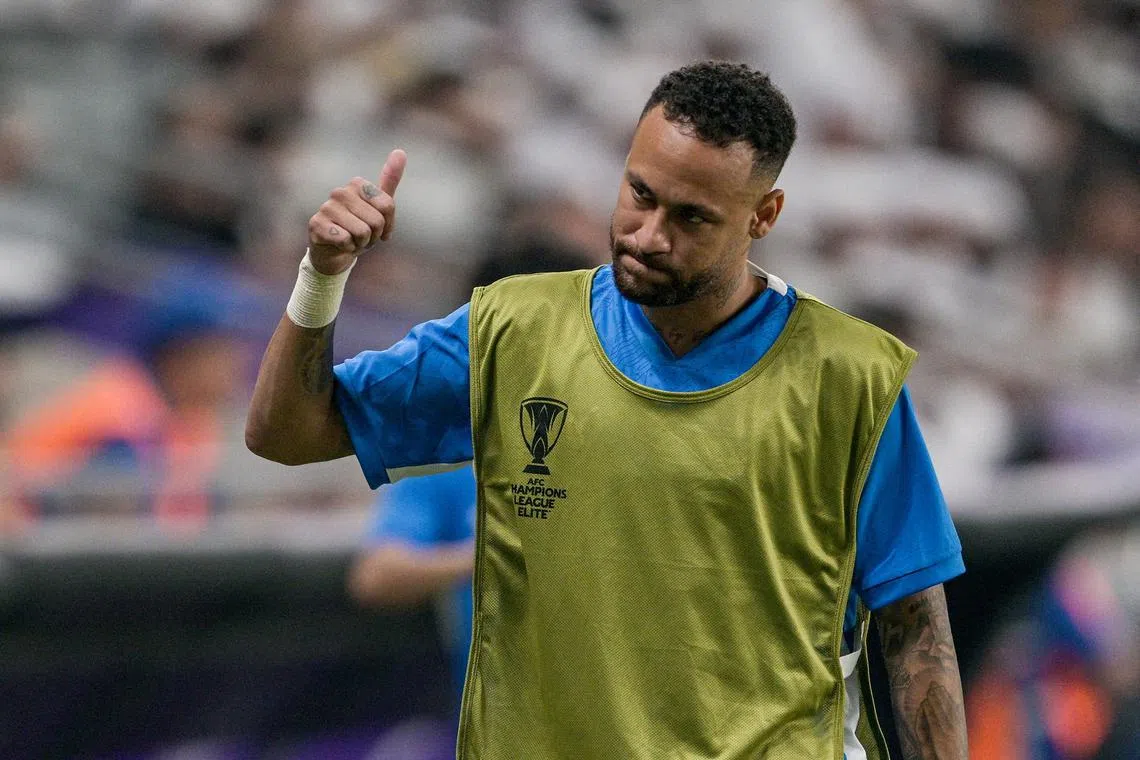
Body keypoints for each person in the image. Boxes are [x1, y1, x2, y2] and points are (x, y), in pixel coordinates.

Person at [247, 61, 968, 759]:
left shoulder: (850, 379)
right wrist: (322, 277)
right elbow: (285, 434)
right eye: (640, 194)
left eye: (692, 218)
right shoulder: (511, 332)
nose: (650, 234)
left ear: (764, 216)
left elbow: (914, 629)